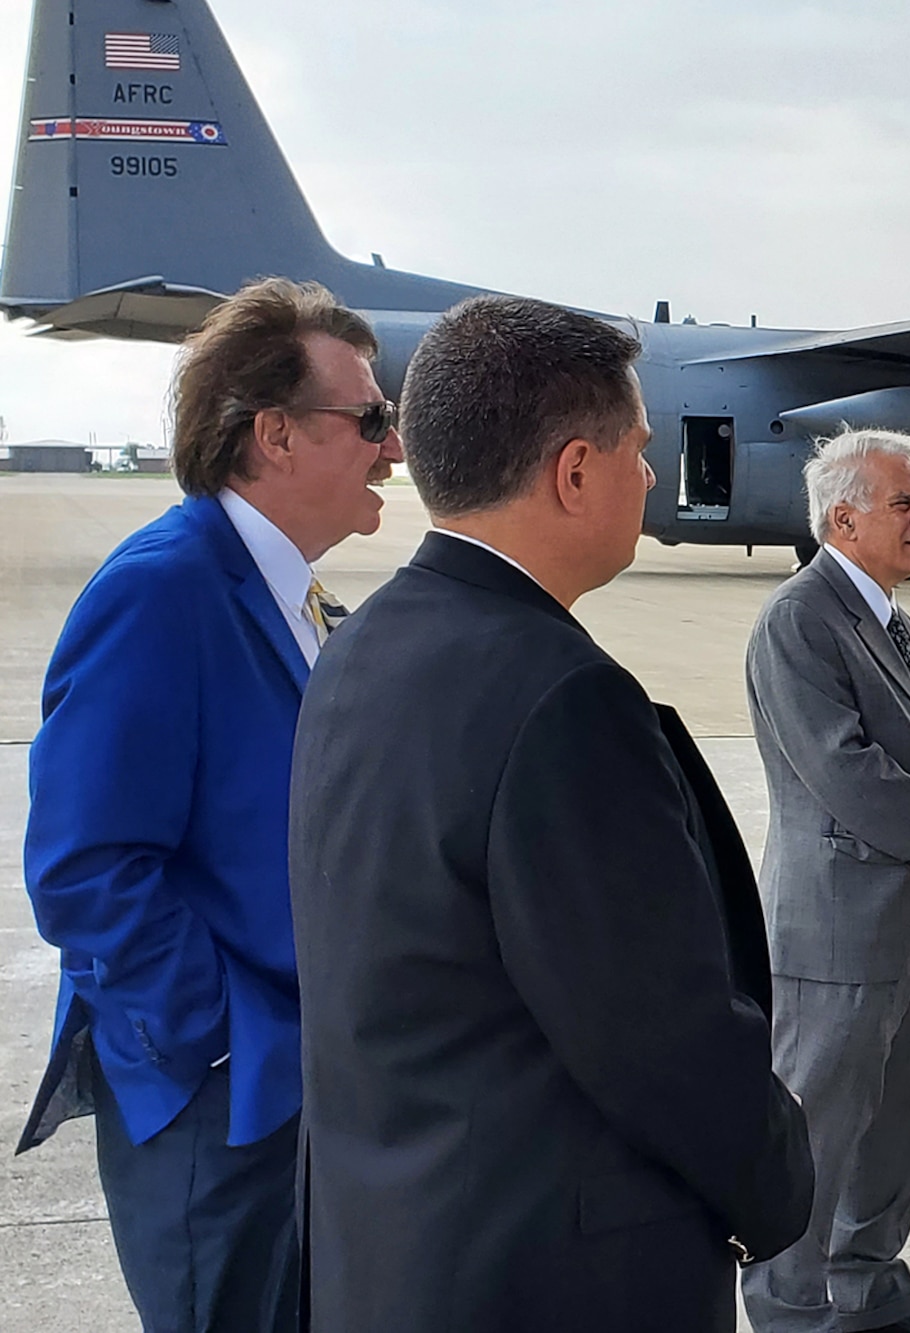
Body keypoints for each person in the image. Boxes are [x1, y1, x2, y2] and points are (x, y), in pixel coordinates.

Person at [287, 296, 813, 1332]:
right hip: (546, 1275)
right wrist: (775, 1186)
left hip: (394, 1255)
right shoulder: (561, 699)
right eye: (640, 451)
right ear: (574, 472)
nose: (652, 477)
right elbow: (660, 1035)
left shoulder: (364, 644)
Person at [19, 277, 399, 1333]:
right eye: (369, 419)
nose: (394, 446)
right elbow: (82, 867)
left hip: (297, 1083)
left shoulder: (293, 596)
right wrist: (221, 1041)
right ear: (274, 435)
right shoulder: (163, 590)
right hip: (218, 1101)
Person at [742, 427, 910, 1333]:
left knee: (896, 1139)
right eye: (907, 502)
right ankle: (788, 1315)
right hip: (841, 937)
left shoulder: (890, 611)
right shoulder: (798, 619)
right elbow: (848, 772)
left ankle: (869, 1300)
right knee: (812, 1148)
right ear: (842, 519)